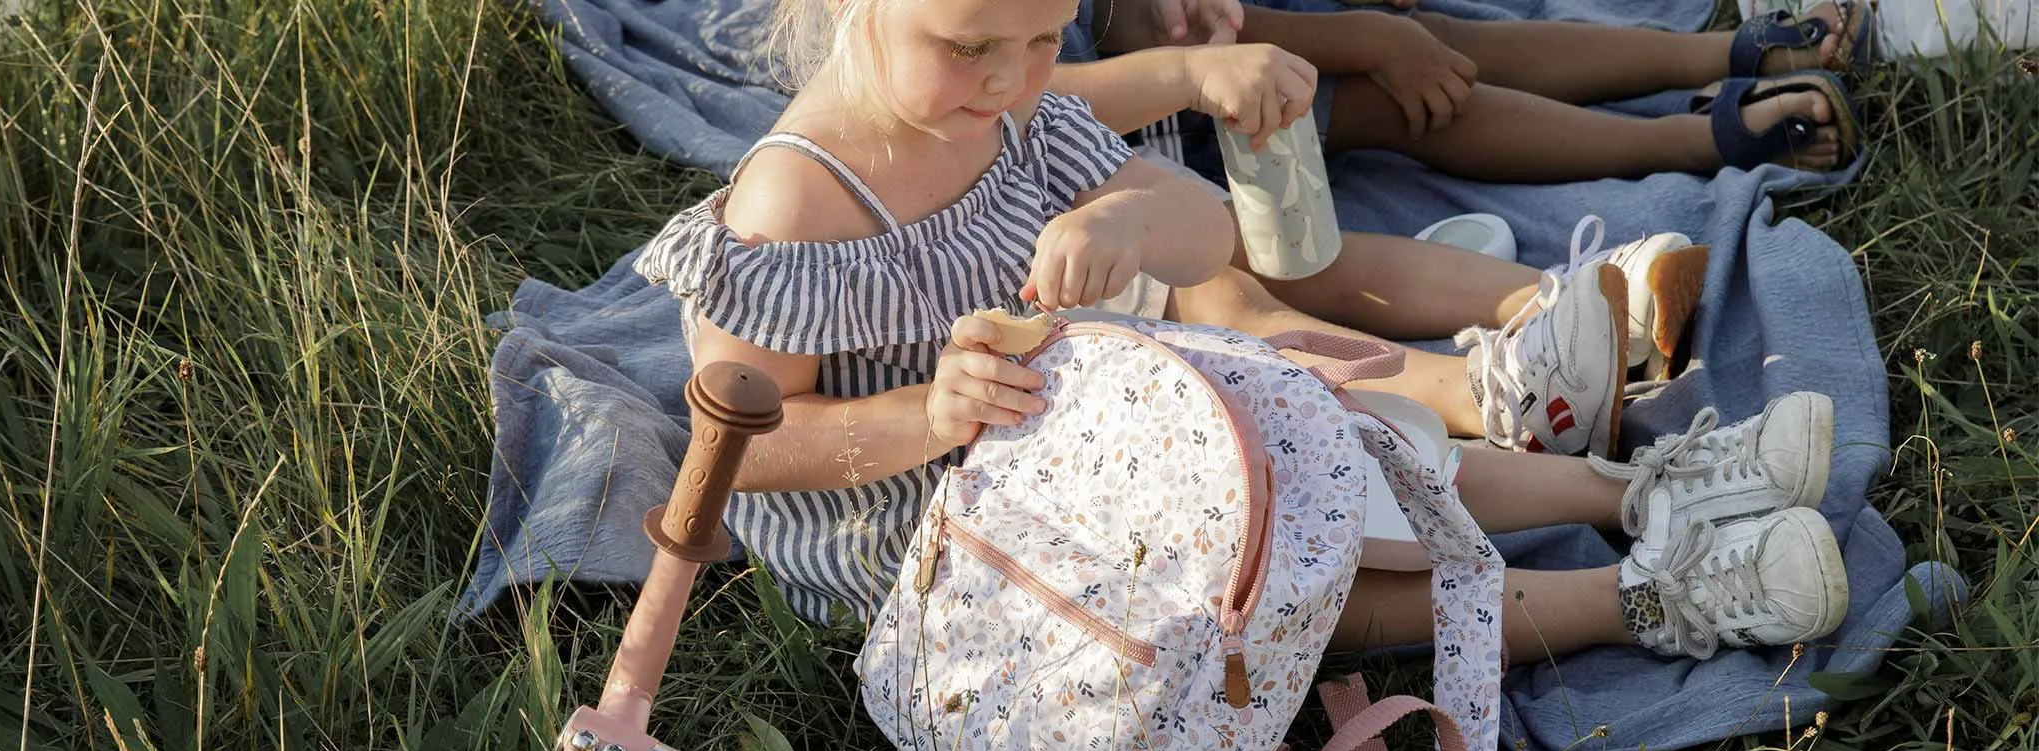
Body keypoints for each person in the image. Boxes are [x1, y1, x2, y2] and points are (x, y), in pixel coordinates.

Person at [639, 0, 1848, 679]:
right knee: (1256, 557)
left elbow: (1208, 232)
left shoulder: (1002, 104)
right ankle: (1635, 597)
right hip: (934, 533)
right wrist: (928, 415)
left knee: (1285, 411)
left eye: (1048, 39)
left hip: (1073, 433)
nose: (1012, 79)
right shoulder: (793, 205)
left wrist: (1122, 214)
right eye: (973, 46)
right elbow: (741, 446)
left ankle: (1625, 488)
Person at [1078, 0, 1863, 183]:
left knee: (1438, 39)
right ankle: (1690, 141)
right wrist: (1370, 39)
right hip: (1141, 116)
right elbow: (1149, 39)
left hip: (1200, 25)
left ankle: (1710, 55)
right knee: (1400, 98)